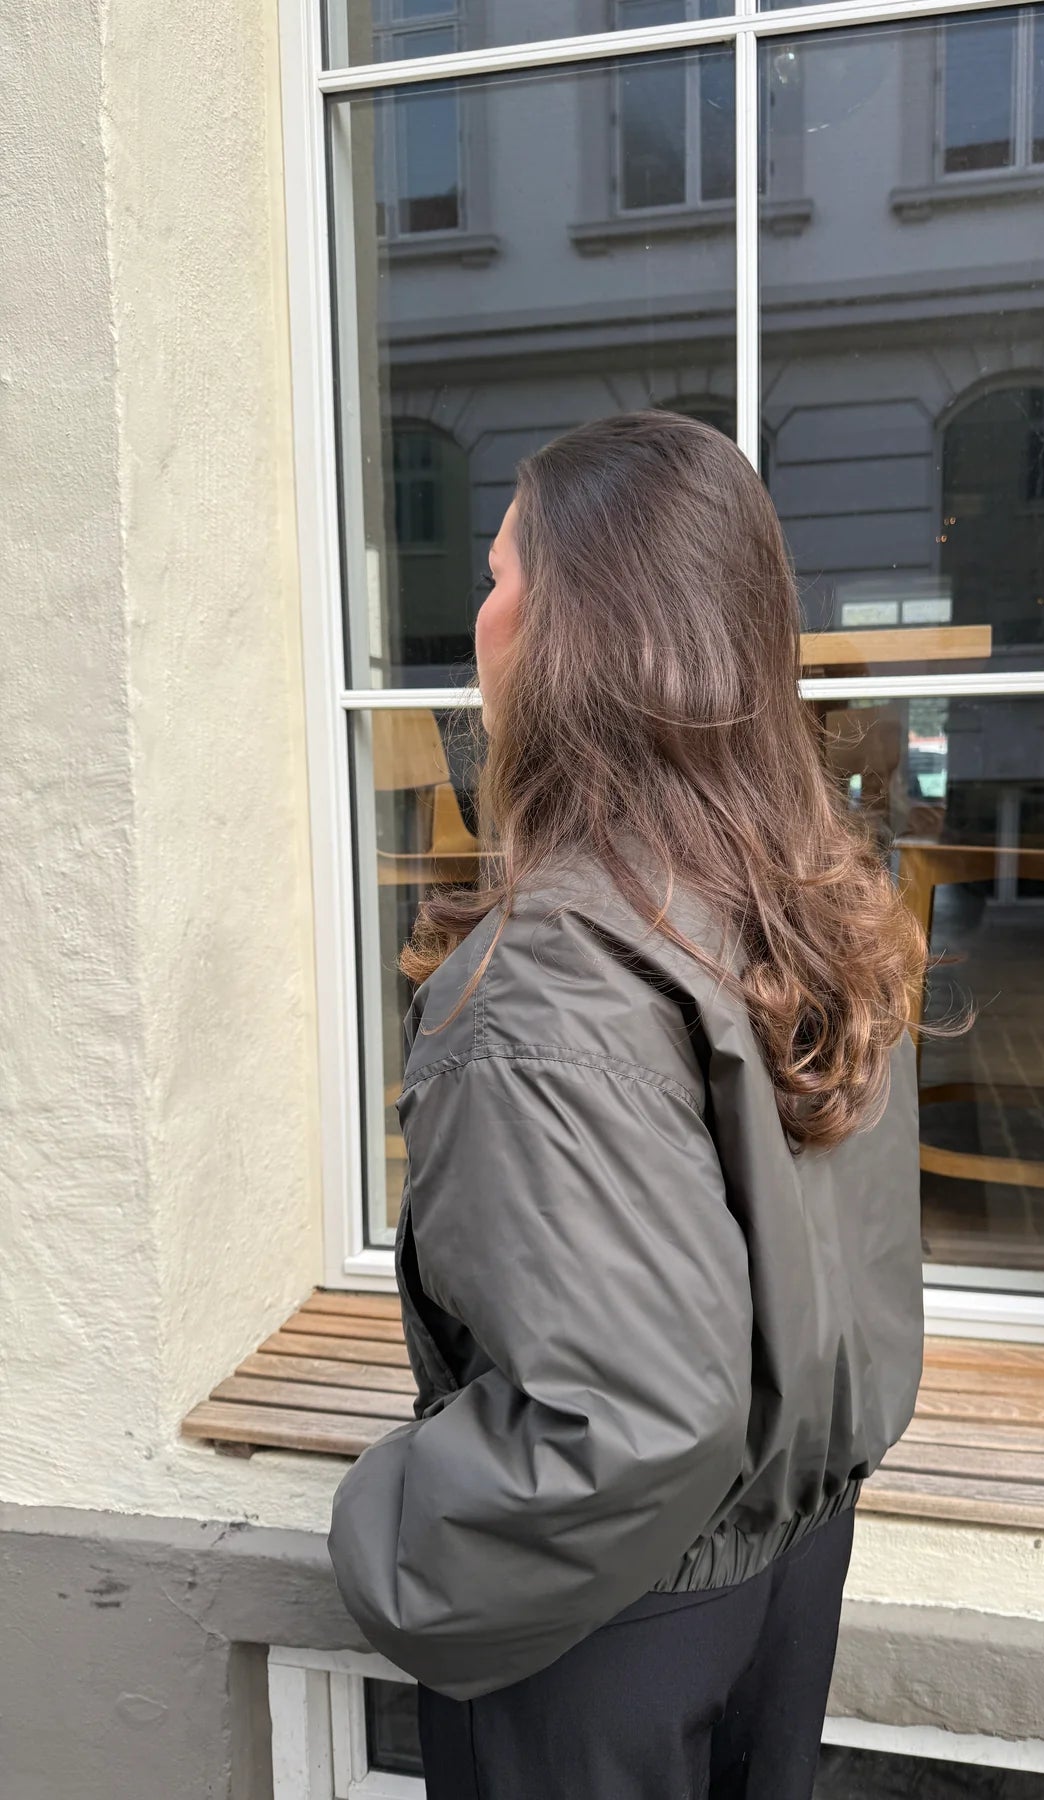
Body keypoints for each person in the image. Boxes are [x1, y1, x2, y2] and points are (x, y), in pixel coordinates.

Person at [328, 410, 926, 1799]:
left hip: (600, 1626)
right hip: (788, 1567)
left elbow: (623, 1425)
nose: (476, 619)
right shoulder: (807, 908)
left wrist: (381, 1524)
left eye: (497, 578)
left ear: (569, 635)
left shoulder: (552, 976)